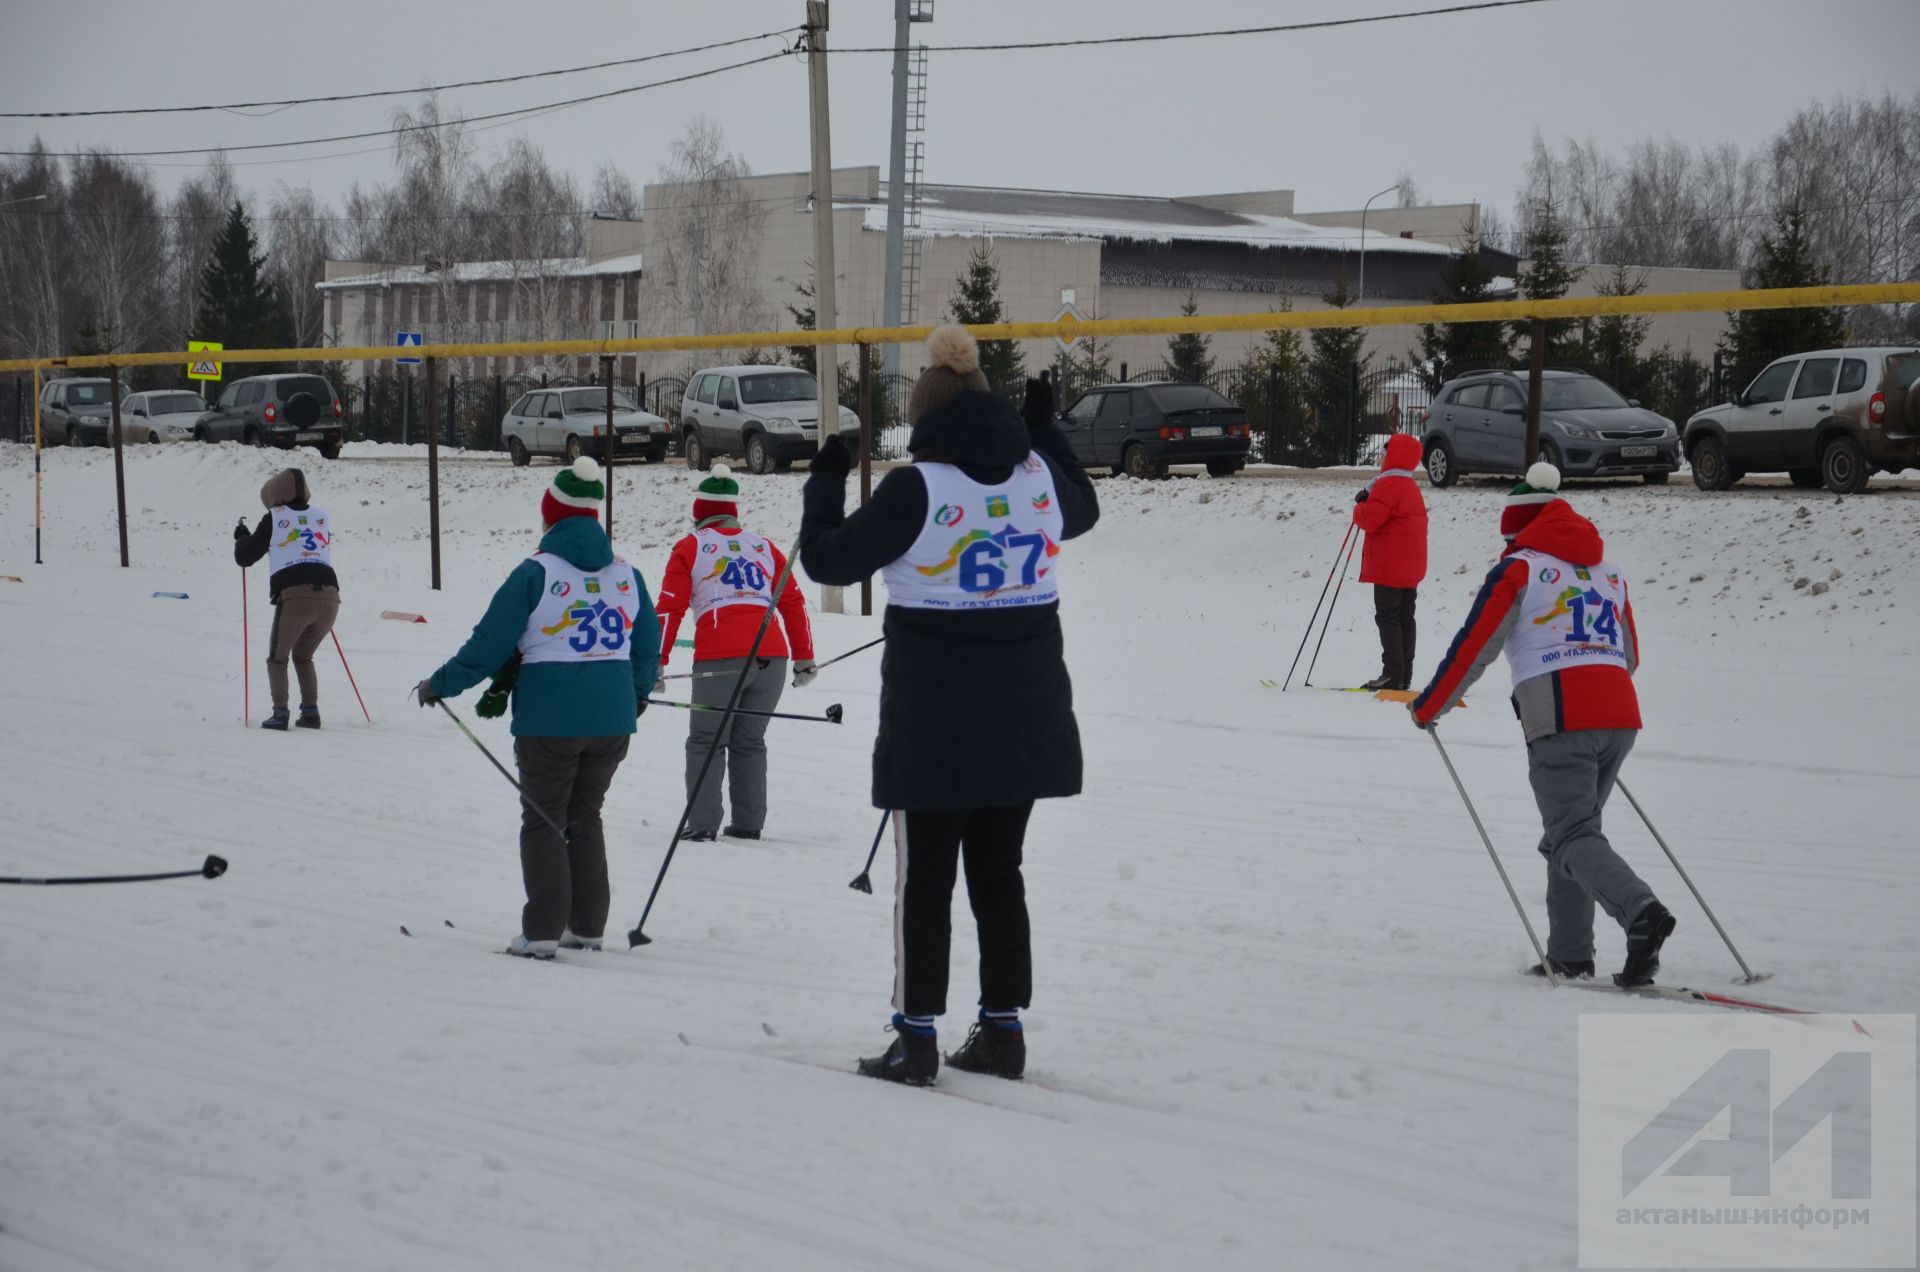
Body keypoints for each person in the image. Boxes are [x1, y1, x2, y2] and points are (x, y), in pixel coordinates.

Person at [800, 327, 1099, 1085]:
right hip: (1026, 721)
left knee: (925, 883)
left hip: (934, 727)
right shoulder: (1034, 478)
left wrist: (826, 478)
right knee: (1000, 874)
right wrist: (1045, 430)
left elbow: (827, 559)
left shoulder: (918, 488)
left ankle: (917, 1036)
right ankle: (1003, 1031)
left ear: (927, 418)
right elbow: (1084, 507)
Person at [1409, 463, 1674, 987]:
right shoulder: (1609, 572)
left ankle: (1640, 911)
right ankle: (1571, 954)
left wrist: (1429, 706)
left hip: (1560, 715)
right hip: (1620, 716)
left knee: (1571, 833)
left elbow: (1474, 647)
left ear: (1517, 530)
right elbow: (1630, 653)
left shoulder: (1519, 570)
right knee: (1573, 833)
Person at [414, 458, 660, 959]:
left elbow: (486, 647)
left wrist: (440, 684)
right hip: (613, 720)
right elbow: (646, 647)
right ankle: (588, 926)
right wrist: (635, 696)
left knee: (545, 819)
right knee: (585, 815)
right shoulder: (626, 574)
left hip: (550, 720)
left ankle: (543, 931)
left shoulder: (535, 572)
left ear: (550, 516)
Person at [653, 464, 815, 843]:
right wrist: (804, 657)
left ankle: (703, 823)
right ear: (733, 511)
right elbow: (793, 602)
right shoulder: (763, 545)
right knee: (749, 741)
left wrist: (655, 662)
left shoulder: (691, 547)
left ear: (699, 513)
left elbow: (668, 608)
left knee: (706, 741)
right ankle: (748, 823)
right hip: (772, 657)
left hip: (720, 660)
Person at [235, 467, 339, 731]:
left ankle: (280, 713)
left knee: (277, 658)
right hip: (330, 597)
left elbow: (245, 558)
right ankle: (311, 712)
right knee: (304, 656)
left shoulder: (274, 517)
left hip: (294, 596)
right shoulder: (321, 516)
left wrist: (242, 538)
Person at [1351, 432, 1428, 691]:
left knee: (1388, 617)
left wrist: (1361, 504)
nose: (1381, 458)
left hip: (1390, 566)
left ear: (1394, 456)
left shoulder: (1388, 484)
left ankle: (1393, 674)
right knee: (1406, 617)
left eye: (1385, 453)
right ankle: (1403, 673)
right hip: (1411, 565)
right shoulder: (1410, 486)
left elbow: (1368, 519)